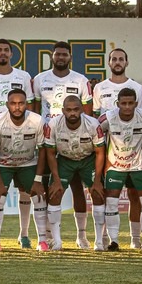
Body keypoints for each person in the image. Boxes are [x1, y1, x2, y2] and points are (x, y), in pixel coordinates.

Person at [32, 41, 93, 249]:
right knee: (48, 188)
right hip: (47, 140)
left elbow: (88, 113)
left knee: (77, 188)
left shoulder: (81, 80)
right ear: (52, 56)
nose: (60, 57)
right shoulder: (40, 79)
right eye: (57, 54)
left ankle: (81, 236)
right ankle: (48, 236)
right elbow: (34, 110)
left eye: (64, 54)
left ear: (70, 57)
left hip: (73, 139)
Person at [0, 38, 36, 248]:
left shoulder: (23, 76)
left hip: (22, 138)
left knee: (25, 190)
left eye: (6, 50)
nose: (2, 53)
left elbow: (31, 107)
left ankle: (24, 234)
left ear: (12, 54)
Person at [92, 48, 142, 247]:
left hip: (134, 152)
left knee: (134, 195)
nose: (117, 62)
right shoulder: (100, 87)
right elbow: (95, 120)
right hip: (109, 152)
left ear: (126, 62)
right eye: (114, 59)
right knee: (109, 196)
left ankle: (135, 239)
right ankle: (106, 238)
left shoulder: (136, 87)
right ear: (109, 63)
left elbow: (141, 118)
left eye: (121, 59)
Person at [43, 95, 106, 251]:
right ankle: (57, 241)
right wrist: (56, 179)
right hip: (65, 160)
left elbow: (100, 152)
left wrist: (97, 180)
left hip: (88, 159)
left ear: (82, 109)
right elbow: (50, 153)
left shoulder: (92, 124)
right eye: (69, 110)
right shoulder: (53, 124)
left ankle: (98, 241)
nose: (72, 113)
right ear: (63, 110)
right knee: (55, 193)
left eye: (76, 109)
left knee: (98, 194)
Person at [0, 89, 46, 252]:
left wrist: (38, 179)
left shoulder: (37, 121)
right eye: (13, 103)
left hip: (28, 163)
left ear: (26, 104)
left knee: (38, 197)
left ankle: (41, 240)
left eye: (21, 103)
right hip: (4, 164)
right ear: (7, 105)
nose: (17, 107)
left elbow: (43, 151)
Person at [99, 88, 142, 250]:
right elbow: (96, 139)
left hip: (139, 165)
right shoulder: (107, 118)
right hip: (115, 166)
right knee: (111, 202)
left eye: (131, 103)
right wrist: (105, 164)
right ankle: (114, 241)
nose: (127, 107)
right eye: (124, 103)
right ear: (118, 104)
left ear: (136, 104)